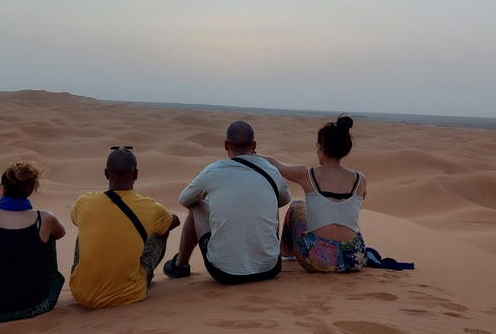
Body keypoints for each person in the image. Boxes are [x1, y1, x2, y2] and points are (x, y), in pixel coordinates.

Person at [164, 120, 291, 284]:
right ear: (254, 145)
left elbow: (185, 199)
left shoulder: (213, 171)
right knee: (270, 200)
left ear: (226, 145)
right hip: (270, 268)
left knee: (198, 205)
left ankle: (180, 264)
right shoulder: (271, 170)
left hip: (225, 272)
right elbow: (285, 199)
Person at [70, 147, 180, 309]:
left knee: (84, 228)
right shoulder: (150, 207)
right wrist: (161, 216)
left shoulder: (84, 201)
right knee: (161, 232)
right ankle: (139, 277)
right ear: (136, 174)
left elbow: (75, 220)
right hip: (128, 295)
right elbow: (174, 222)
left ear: (106, 174)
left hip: (81, 295)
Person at [259, 115, 368, 273]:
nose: (316, 150)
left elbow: (275, 164)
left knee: (297, 206)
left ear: (323, 148)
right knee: (353, 219)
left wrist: (251, 154)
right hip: (353, 258)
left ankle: (287, 254)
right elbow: (361, 199)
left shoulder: (308, 175)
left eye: (317, 146)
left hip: (316, 259)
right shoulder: (360, 179)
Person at [0, 160, 67, 322]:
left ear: (2, 189)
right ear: (30, 191)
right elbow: (60, 233)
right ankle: (33, 285)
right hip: (34, 304)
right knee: (47, 236)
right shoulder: (45, 218)